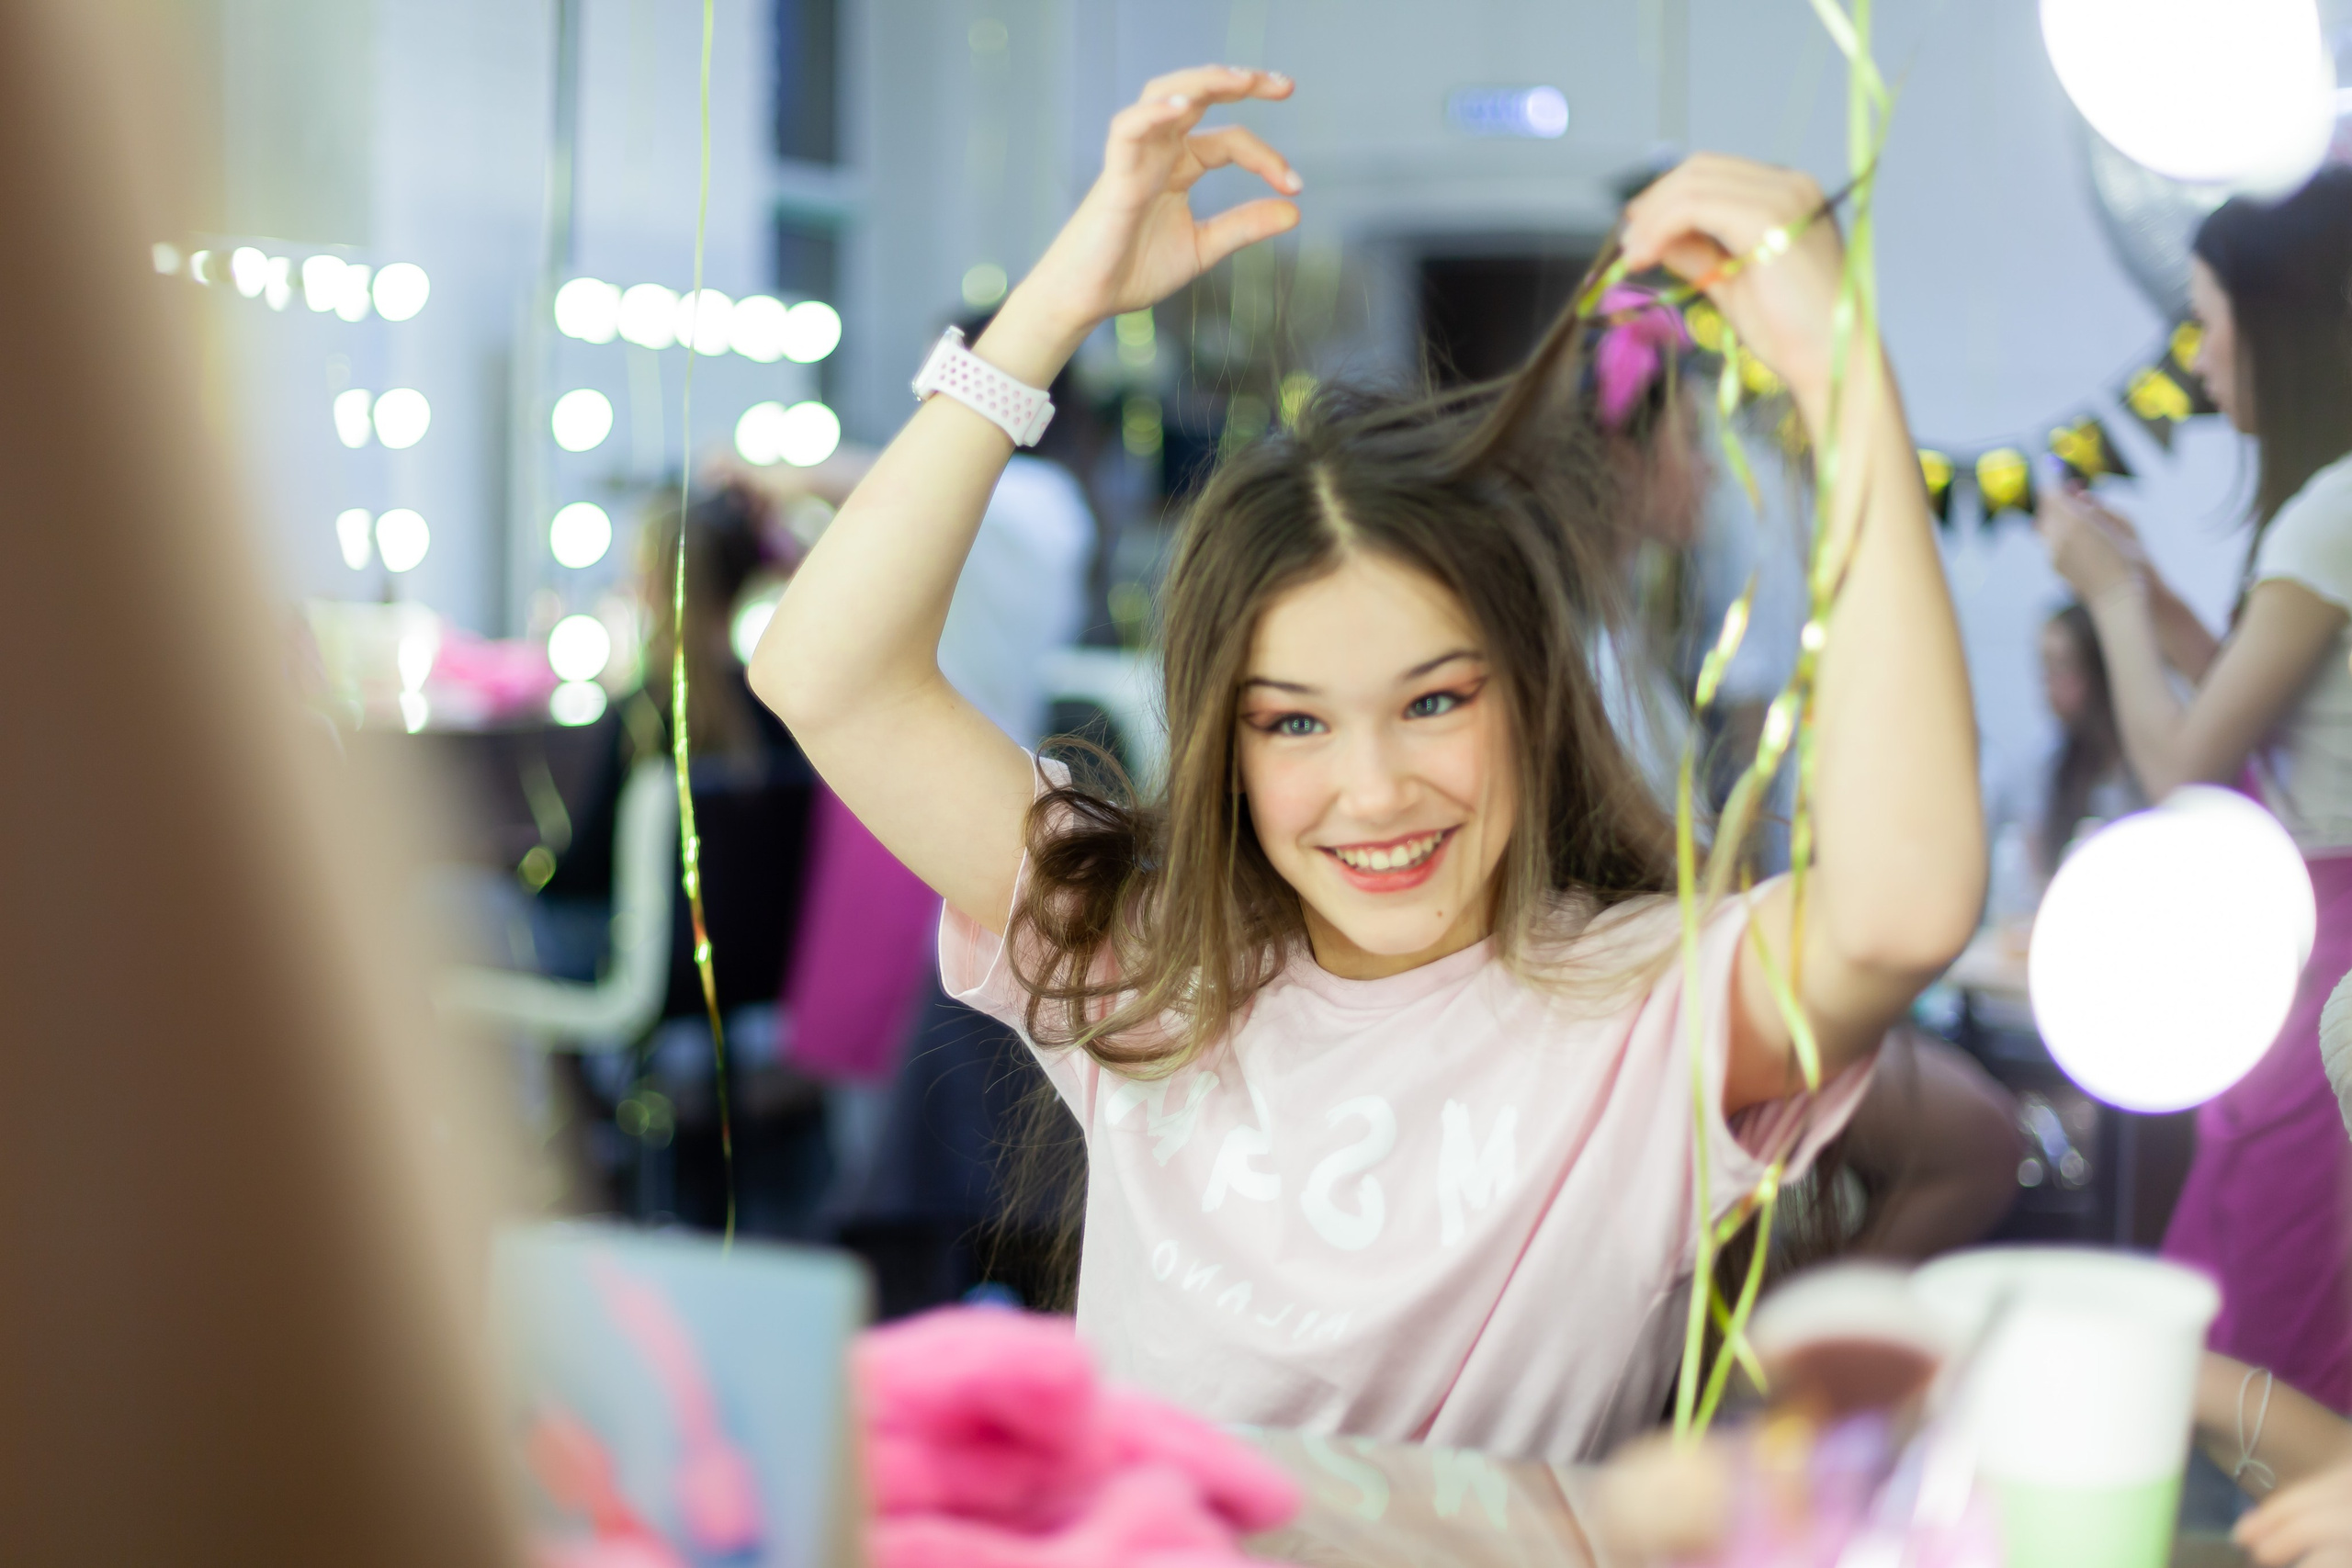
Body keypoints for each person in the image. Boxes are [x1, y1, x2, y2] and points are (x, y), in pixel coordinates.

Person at [752, 65, 1983, 1461]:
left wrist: (1838, 375)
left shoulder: (1645, 1009)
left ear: (1533, 702)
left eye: (1435, 702)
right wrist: (1052, 309)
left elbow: (1903, 909)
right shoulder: (1151, 964)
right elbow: (824, 673)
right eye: (1294, 723)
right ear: (1226, 749)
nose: (1377, 789)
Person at [2037, 167, 2352, 1412]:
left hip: (2323, 959)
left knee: (2266, 1348)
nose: (2202, 357)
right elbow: (2285, 710)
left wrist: (2112, 600)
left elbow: (2182, 767)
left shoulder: (2328, 511)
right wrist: (2160, 599)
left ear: (2283, 328)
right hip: (2310, 937)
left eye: (2211, 321)